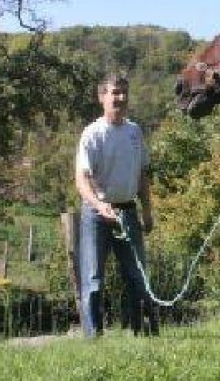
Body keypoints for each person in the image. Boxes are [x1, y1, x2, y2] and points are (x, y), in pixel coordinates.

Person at [75, 72, 158, 337]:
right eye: (114, 93)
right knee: (93, 280)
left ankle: (142, 332)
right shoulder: (92, 133)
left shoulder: (134, 132)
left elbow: (143, 174)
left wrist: (147, 210)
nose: (120, 98)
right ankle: (93, 338)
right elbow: (81, 180)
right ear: (102, 97)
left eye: (124, 93)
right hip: (97, 215)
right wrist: (100, 206)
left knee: (137, 276)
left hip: (128, 211)